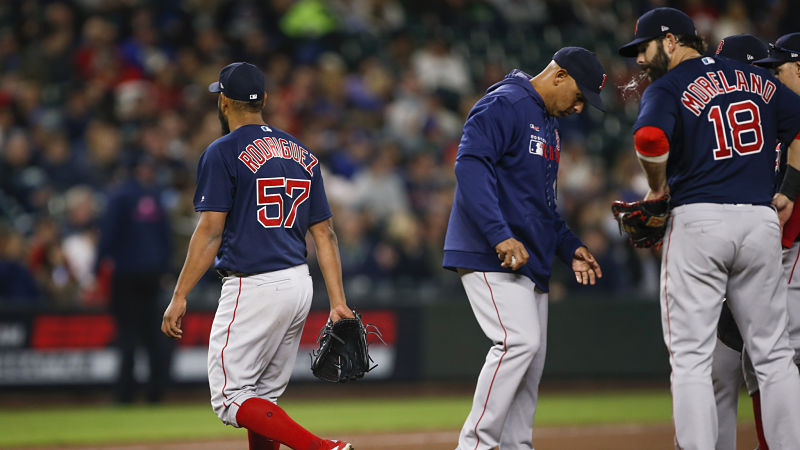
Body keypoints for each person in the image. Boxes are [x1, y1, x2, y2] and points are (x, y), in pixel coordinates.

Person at [619, 8, 800, 448]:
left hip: (700, 220)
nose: (639, 60)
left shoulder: (669, 86)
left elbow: (649, 140)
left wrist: (658, 189)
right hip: (760, 223)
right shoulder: (757, 78)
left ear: (670, 41)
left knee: (691, 360)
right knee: (775, 357)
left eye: (643, 48)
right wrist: (790, 188)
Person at [161, 62, 354, 450]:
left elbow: (211, 229)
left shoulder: (222, 151)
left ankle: (322, 449)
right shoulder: (302, 152)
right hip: (299, 282)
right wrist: (338, 302)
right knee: (262, 398)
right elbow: (324, 233)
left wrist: (179, 294)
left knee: (230, 397)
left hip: (255, 284)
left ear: (224, 102)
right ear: (264, 100)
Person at [443, 47, 606, 449]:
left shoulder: (548, 123)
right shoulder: (507, 101)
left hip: (528, 258)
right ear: (559, 75)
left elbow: (541, 205)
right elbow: (469, 165)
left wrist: (569, 248)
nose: (580, 108)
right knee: (519, 342)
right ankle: (476, 444)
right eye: (580, 95)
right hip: (490, 251)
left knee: (529, 365)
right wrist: (499, 234)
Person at [709, 33, 769, 450]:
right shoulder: (774, 111)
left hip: (769, 257)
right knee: (730, 367)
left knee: (765, 366)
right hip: (757, 251)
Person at [96, 154, 173, 404]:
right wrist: (166, 270)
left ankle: (125, 394)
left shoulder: (120, 196)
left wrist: (96, 265)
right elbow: (166, 238)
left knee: (127, 334)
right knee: (153, 336)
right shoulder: (156, 196)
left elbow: (108, 234)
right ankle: (156, 392)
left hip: (127, 273)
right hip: (152, 274)